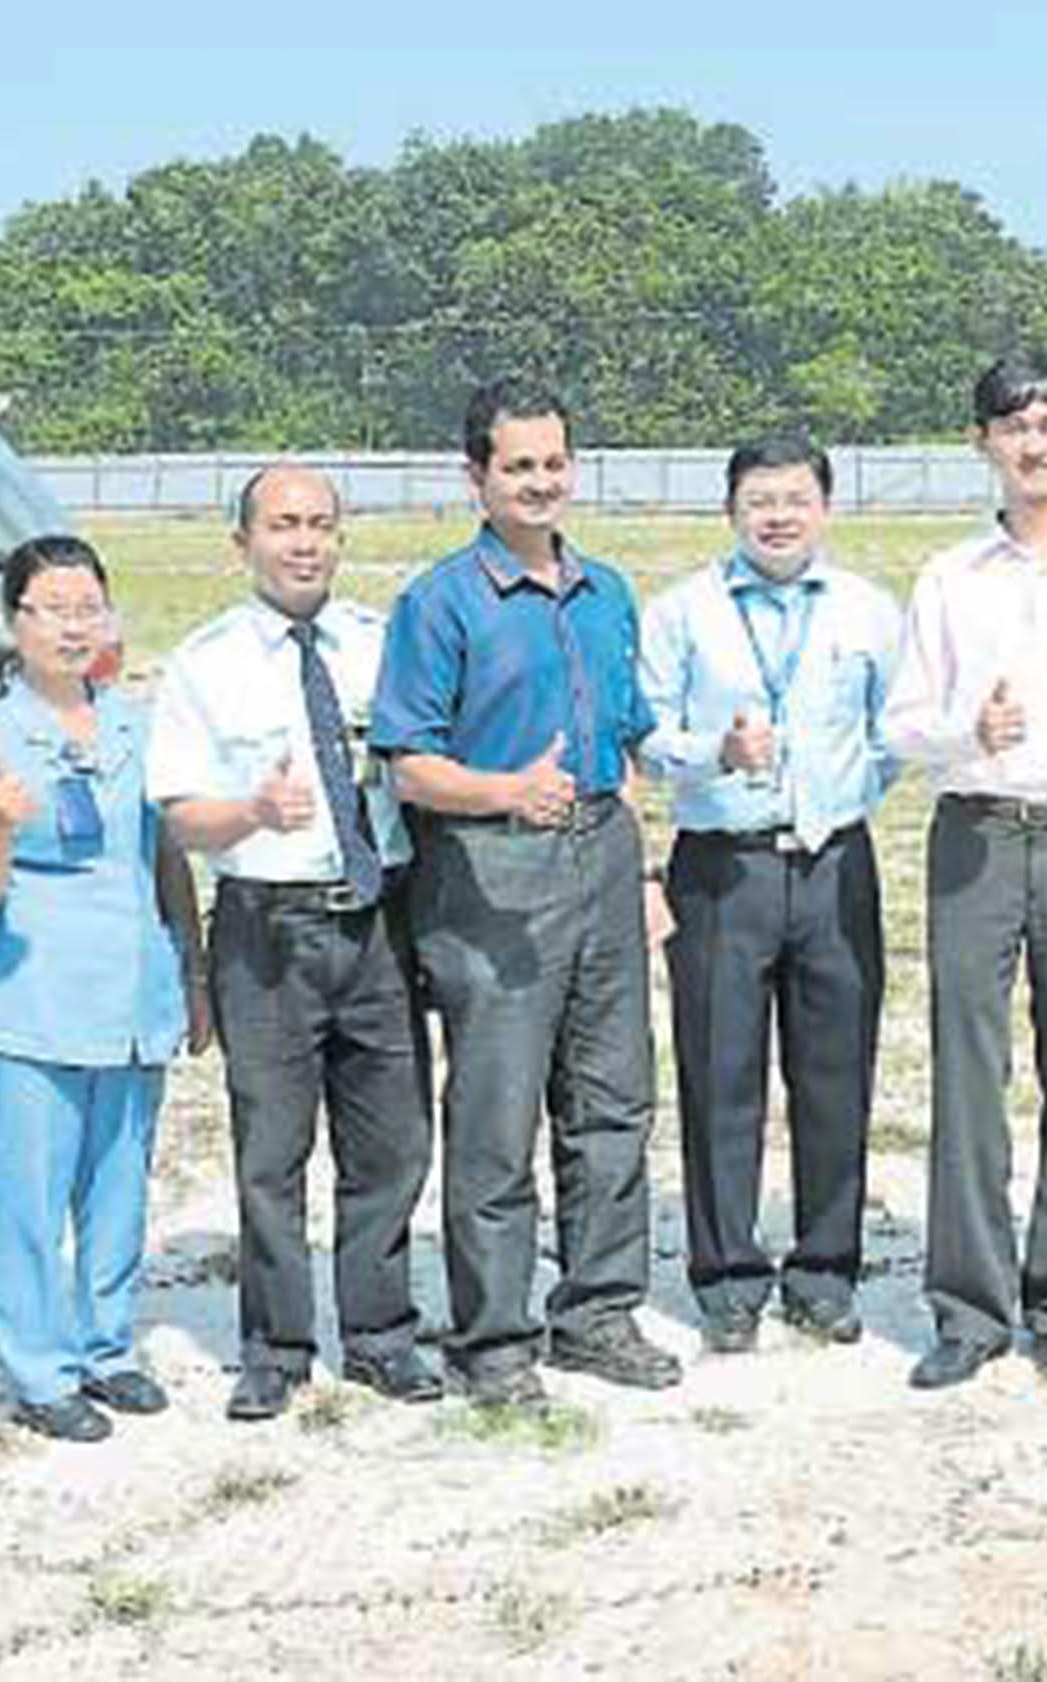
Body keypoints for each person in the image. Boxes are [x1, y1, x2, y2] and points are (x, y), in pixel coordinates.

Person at [370, 377, 679, 1407]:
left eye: (553, 463)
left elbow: (624, 746)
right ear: (477, 476)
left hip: (602, 855)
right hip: (492, 870)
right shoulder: (440, 602)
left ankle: (597, 1313)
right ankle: (493, 1340)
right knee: (497, 1114)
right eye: (518, 466)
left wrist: (641, 867)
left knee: (612, 1101)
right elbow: (408, 764)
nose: (539, 482)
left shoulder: (608, 592)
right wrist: (507, 791)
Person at [149, 466, 442, 1422]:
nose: (304, 542)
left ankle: (382, 1335)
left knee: (391, 1144)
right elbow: (180, 816)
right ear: (243, 542)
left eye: (320, 524)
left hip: (378, 919)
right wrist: (251, 812)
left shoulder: (382, 644)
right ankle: (274, 1350)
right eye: (282, 525)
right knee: (271, 1155)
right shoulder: (205, 662)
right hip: (268, 928)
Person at [883, 356, 1047, 1390]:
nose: (1033, 443)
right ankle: (969, 1307)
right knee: (967, 1071)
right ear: (982, 443)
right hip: (978, 836)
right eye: (1013, 427)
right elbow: (905, 721)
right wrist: (968, 731)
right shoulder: (951, 577)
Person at [638, 436, 901, 1354]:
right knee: (720, 1075)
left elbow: (893, 731)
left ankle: (825, 1272)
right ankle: (727, 1278)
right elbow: (645, 737)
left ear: (824, 508)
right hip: (722, 868)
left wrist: (842, 797)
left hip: (834, 865)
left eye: (795, 499)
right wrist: (716, 751)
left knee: (835, 1075)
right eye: (759, 500)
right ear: (731, 511)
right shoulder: (682, 612)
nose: (778, 516)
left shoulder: (868, 609)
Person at [0, 536, 210, 1443]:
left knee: (118, 1189)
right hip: (30, 1007)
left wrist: (193, 973)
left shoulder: (140, 727)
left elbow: (166, 858)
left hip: (131, 999)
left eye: (87, 607)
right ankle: (39, 1369)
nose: (72, 626)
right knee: (28, 1198)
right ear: (13, 623)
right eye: (51, 609)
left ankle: (107, 1347)